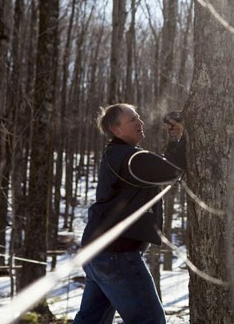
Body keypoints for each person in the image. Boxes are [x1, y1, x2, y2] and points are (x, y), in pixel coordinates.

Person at [74, 104, 186, 324]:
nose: (140, 123)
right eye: (132, 120)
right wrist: (185, 134)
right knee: (150, 321)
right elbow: (173, 169)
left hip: (96, 253)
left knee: (90, 321)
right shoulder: (132, 159)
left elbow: (162, 167)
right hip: (117, 254)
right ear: (115, 130)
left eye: (139, 118)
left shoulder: (118, 155)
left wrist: (176, 139)